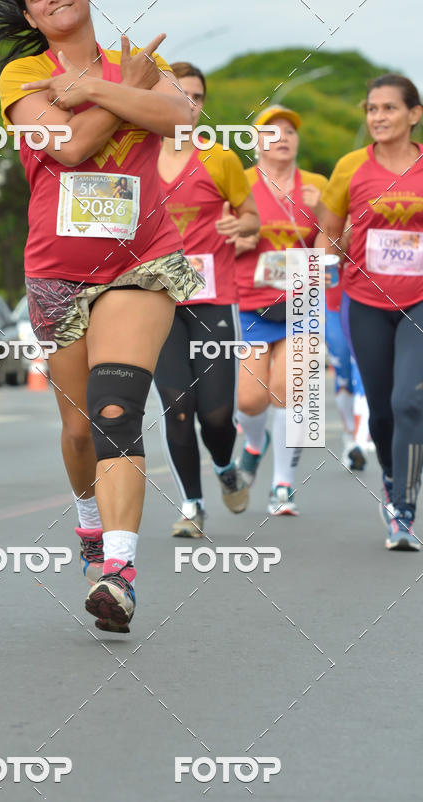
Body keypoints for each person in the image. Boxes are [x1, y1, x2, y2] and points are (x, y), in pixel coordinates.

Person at [0, 0, 204, 632]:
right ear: (28, 13)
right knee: (77, 429)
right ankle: (87, 521)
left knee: (114, 410)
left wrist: (102, 88)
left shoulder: (141, 61)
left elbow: (178, 119)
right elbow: (67, 148)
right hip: (57, 269)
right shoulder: (23, 75)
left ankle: (120, 574)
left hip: (144, 261)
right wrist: (119, 93)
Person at [153, 62, 260, 537]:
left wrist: (242, 226)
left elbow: (250, 216)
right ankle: (192, 506)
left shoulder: (220, 158)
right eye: (177, 94)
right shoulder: (133, 158)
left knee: (216, 414)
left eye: (195, 97)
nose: (187, 104)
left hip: (213, 298)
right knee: (177, 404)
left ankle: (225, 465)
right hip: (153, 301)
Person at [318, 74, 423, 550]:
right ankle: (390, 478)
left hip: (419, 300)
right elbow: (330, 232)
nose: (378, 117)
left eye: (389, 109)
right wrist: (321, 265)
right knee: (380, 412)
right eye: (372, 109)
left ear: (413, 115)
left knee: (409, 402)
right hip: (364, 300)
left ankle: (403, 506)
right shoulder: (350, 168)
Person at [234, 105, 327, 515]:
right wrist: (238, 241)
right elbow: (219, 236)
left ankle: (282, 486)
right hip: (251, 303)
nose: (283, 137)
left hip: (301, 302)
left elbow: (337, 240)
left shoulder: (317, 186)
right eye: (272, 132)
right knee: (251, 400)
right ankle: (255, 443)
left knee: (290, 392)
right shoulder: (239, 185)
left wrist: (322, 212)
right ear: (256, 143)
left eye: (290, 130)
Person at [325, 221, 370, 471]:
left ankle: (359, 443)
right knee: (343, 375)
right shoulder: (334, 209)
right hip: (334, 303)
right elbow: (328, 255)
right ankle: (350, 435)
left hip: (367, 303)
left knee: (363, 369)